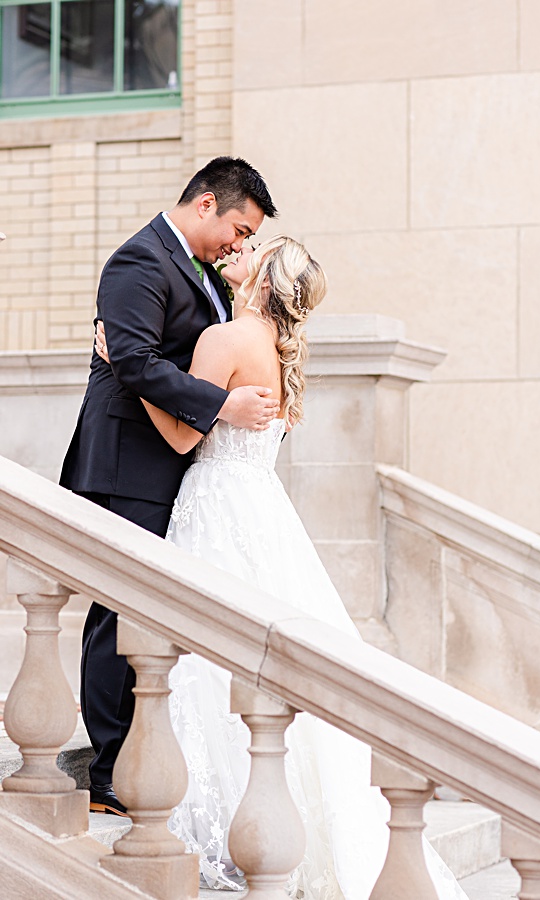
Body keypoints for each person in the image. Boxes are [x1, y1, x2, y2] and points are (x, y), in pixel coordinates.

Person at [96, 236, 467, 898]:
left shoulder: (228, 337)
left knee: (206, 661)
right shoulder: (280, 352)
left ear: (264, 281)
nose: (242, 257)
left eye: (255, 253)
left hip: (213, 507)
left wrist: (129, 368)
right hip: (263, 512)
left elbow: (183, 436)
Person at [60, 157, 280, 818]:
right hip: (128, 464)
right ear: (206, 203)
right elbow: (133, 359)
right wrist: (220, 408)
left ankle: (141, 754)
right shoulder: (140, 260)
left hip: (174, 466)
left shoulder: (207, 277)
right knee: (115, 615)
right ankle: (106, 775)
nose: (238, 245)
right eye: (238, 228)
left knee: (147, 617)